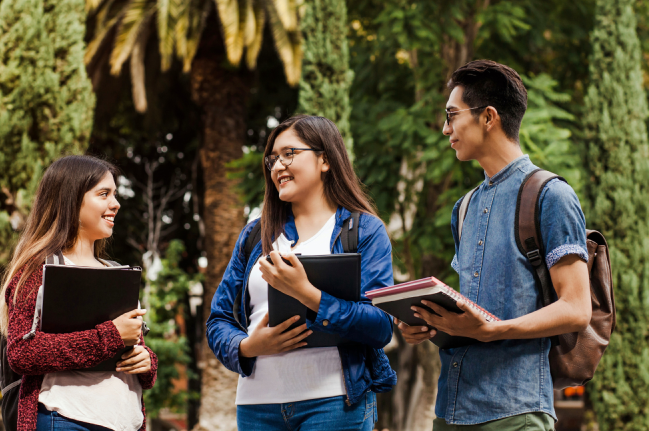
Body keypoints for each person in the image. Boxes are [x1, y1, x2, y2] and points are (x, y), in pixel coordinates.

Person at [397, 60, 592, 430]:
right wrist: (427, 323)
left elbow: (577, 308)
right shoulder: (464, 207)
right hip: (450, 409)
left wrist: (494, 330)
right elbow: (476, 308)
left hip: (515, 412)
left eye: (452, 116)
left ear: (488, 117)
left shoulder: (552, 195)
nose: (445, 129)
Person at [207, 115, 396, 430]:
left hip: (334, 404)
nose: (278, 166)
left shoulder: (363, 230)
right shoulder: (255, 234)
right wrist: (249, 347)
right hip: (257, 408)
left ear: (324, 160)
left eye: (289, 153)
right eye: (273, 159)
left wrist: (307, 294)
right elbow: (218, 321)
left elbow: (380, 327)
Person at [0, 155, 157, 431]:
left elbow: (131, 349)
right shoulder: (36, 272)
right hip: (66, 420)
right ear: (70, 200)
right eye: (103, 194)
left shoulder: (118, 273)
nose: (115, 204)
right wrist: (110, 336)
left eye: (115, 195)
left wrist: (146, 361)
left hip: (125, 422)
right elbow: (22, 353)